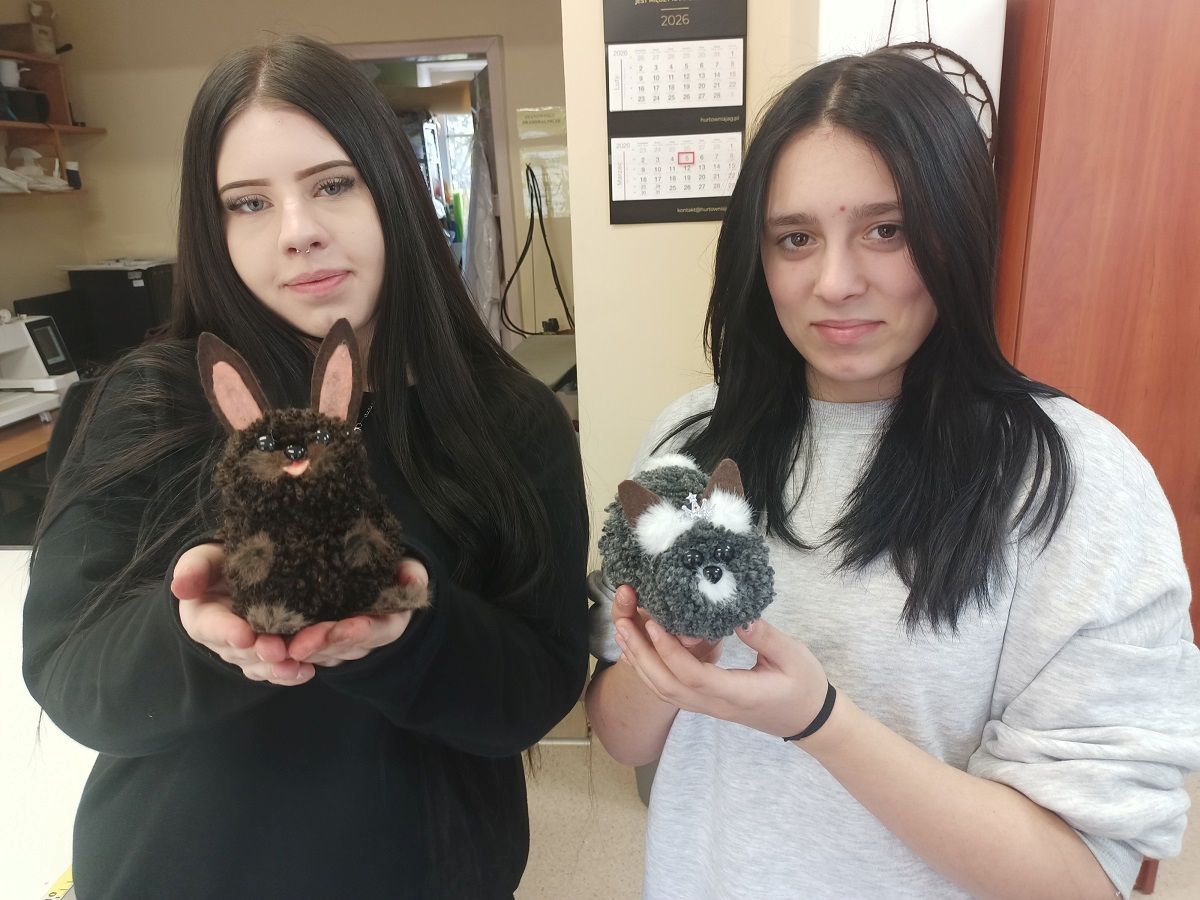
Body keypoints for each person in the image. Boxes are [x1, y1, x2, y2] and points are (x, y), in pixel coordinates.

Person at [586, 48, 1200, 899]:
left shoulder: (1077, 483)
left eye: (888, 230)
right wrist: (671, 669)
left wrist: (821, 723)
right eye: (796, 238)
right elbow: (622, 737)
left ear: (956, 231)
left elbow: (1084, 878)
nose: (836, 282)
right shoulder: (691, 441)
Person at [23, 36, 588, 900]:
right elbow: (71, 677)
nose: (299, 233)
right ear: (213, 228)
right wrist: (196, 637)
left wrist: (412, 631)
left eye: (332, 184)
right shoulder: (148, 402)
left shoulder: (510, 421)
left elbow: (538, 691)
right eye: (248, 203)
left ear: (392, 188)